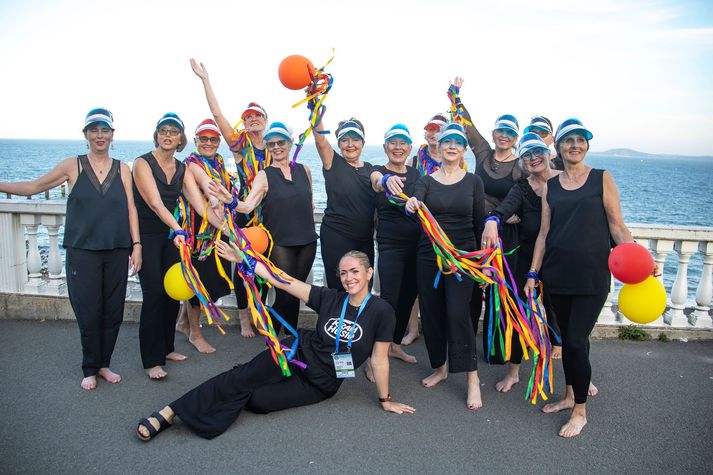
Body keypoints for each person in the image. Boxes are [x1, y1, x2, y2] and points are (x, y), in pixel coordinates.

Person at [136, 248, 415, 441]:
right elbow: (280, 279)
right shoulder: (330, 298)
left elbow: (379, 359)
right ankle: (170, 412)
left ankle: (243, 377)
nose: (349, 278)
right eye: (343, 273)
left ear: (368, 273)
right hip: (294, 353)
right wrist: (243, 258)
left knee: (258, 401)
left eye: (354, 271)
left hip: (322, 383)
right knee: (241, 378)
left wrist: (385, 400)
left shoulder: (382, 311)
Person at [0, 108, 141, 390]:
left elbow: (131, 209)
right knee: (89, 311)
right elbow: (34, 187)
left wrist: (136, 245)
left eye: (105, 130)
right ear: (86, 134)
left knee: (113, 311)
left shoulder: (123, 169)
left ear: (113, 135)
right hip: (82, 251)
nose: (99, 135)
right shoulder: (71, 166)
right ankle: (89, 367)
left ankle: (104, 364)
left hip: (117, 250)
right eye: (94, 130)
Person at [526, 118, 633, 438]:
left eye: (581, 139)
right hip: (557, 275)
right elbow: (544, 234)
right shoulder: (551, 187)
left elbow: (617, 225)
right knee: (570, 341)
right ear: (557, 147)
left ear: (586, 145)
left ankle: (580, 410)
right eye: (568, 140)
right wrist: (533, 273)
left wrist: (636, 260)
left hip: (591, 276)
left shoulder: (601, 178)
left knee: (574, 340)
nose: (575, 144)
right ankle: (571, 394)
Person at [406, 123, 485, 410]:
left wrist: (482, 265)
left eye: (457, 142)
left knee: (457, 314)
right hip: (429, 256)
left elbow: (478, 224)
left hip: (462, 258)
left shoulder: (473, 181)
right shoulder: (425, 181)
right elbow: (414, 206)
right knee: (432, 312)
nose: (451, 146)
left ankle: (472, 379)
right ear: (437, 148)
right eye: (446, 141)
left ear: (464, 149)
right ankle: (439, 367)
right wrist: (410, 206)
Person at [189, 58, 268, 338]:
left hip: (270, 214)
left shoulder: (276, 145)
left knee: (265, 266)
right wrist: (206, 80)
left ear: (265, 121)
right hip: (244, 212)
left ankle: (259, 315)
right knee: (242, 265)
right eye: (247, 117)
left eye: (257, 115)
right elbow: (218, 115)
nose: (252, 119)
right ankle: (245, 318)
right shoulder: (239, 145)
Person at [481, 132, 562, 392]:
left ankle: (582, 376)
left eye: (537, 151)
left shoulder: (565, 182)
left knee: (563, 317)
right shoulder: (522, 188)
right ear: (522, 161)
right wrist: (493, 220)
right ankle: (514, 372)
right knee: (516, 314)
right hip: (525, 261)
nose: (533, 158)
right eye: (526, 154)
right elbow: (502, 209)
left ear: (549, 154)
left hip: (560, 259)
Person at [451, 77, 522, 364]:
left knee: (498, 293)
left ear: (515, 138)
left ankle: (497, 352)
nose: (503, 136)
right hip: (474, 233)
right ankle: (464, 344)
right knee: (470, 289)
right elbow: (467, 127)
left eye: (509, 133)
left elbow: (530, 195)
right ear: (493, 134)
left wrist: (516, 216)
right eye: (499, 131)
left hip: (504, 236)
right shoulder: (482, 152)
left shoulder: (519, 166)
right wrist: (455, 97)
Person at [233, 122, 318, 335]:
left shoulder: (304, 170)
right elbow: (248, 206)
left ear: (290, 145)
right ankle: (272, 337)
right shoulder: (264, 175)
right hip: (280, 243)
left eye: (281, 142)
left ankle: (291, 339)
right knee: (284, 294)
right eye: (271, 144)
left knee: (297, 292)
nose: (276, 147)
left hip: (308, 241)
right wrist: (230, 201)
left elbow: (310, 203)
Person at [133, 113, 189, 380]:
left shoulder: (181, 168)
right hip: (146, 236)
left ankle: (167, 348)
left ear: (181, 139)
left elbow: (198, 202)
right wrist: (177, 228)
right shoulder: (142, 163)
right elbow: (155, 203)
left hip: (170, 237)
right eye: (164, 130)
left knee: (171, 293)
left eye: (174, 131)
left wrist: (224, 220)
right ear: (156, 135)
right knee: (154, 294)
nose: (168, 135)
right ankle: (151, 360)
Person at [177, 119, 236, 353]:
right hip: (197, 236)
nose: (209, 143)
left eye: (213, 139)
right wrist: (214, 200)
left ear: (219, 142)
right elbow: (206, 184)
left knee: (214, 285)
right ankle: (195, 333)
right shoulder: (191, 163)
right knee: (198, 286)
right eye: (204, 139)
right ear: (195, 141)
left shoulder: (220, 162)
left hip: (216, 233)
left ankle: (183, 322)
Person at [369, 124, 421, 368]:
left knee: (408, 298)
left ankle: (395, 346)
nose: (398, 147)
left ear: (410, 148)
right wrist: (387, 179)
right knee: (388, 301)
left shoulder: (417, 175)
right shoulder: (378, 171)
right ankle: (374, 356)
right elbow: (377, 181)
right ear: (385, 147)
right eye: (393, 142)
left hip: (417, 247)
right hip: (390, 246)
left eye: (403, 143)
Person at [313, 116, 379, 289]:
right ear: (339, 143)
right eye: (344, 140)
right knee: (339, 288)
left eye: (355, 139)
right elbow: (320, 139)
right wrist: (315, 108)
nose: (350, 144)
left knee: (364, 287)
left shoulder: (370, 168)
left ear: (363, 143)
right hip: (336, 237)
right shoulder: (332, 162)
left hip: (364, 240)